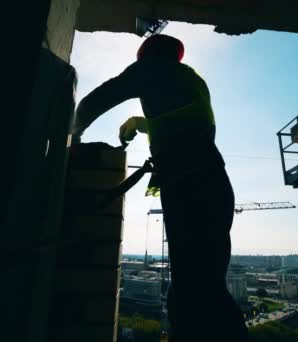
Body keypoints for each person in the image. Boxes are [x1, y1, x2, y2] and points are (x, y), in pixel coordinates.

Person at [72, 34, 247, 342]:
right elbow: (190, 125)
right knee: (207, 284)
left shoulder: (149, 68)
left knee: (190, 291)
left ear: (148, 56)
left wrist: (72, 133)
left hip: (188, 185)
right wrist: (143, 123)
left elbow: (99, 98)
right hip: (213, 182)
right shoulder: (191, 79)